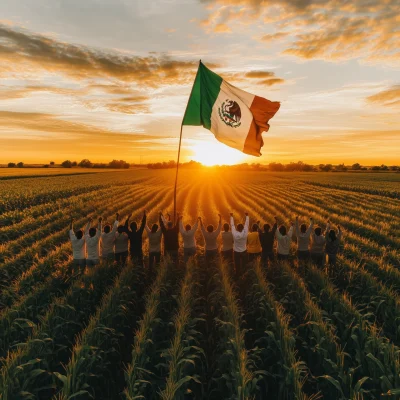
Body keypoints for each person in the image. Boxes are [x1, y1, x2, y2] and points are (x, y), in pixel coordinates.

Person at [230, 212, 249, 278]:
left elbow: (232, 225)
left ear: (237, 229)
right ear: (243, 228)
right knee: (244, 264)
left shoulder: (234, 233)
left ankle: (237, 274)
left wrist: (231, 216)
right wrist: (247, 216)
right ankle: (244, 274)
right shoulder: (245, 232)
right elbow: (246, 224)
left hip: (236, 252)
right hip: (244, 250)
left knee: (237, 264)